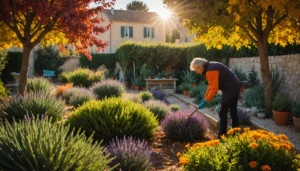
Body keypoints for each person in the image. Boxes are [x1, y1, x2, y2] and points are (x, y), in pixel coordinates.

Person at [190, 57, 240, 138]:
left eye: (196, 70)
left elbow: (214, 89)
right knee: (233, 111)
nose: (197, 72)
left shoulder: (210, 70)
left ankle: (222, 135)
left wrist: (206, 101)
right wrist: (205, 97)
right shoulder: (210, 66)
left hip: (230, 89)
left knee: (223, 112)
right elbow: (211, 85)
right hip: (234, 86)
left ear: (200, 67)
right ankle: (236, 134)